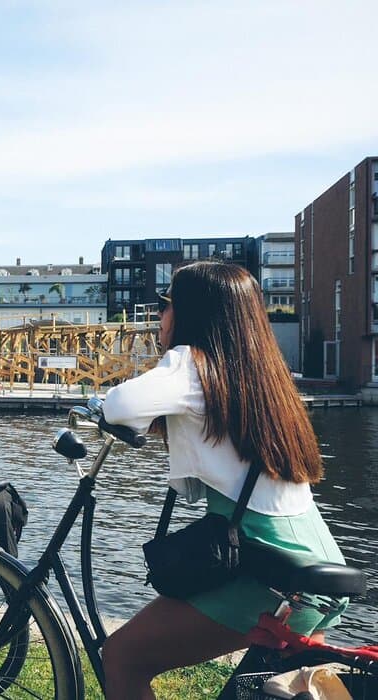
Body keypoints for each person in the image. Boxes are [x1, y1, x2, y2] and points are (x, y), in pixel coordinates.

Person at [99, 261, 346, 699]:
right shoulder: (261, 375)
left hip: (266, 565)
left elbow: (120, 405)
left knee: (123, 657)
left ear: (191, 313)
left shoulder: (193, 365)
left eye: (167, 305)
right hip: (316, 556)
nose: (161, 315)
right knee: (279, 689)